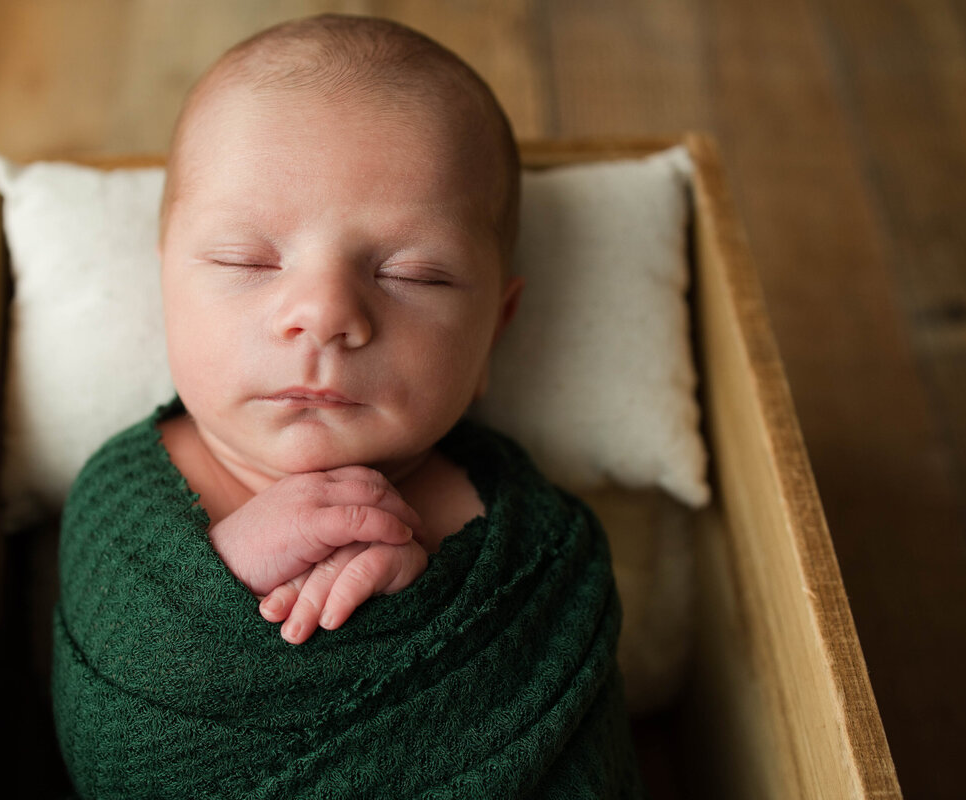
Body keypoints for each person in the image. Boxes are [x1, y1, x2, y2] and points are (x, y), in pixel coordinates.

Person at [53, 14, 644, 798]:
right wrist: (230, 572)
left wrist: (422, 611)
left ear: (492, 332)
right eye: (247, 259)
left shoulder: (538, 550)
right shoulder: (126, 493)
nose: (326, 313)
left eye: (414, 275)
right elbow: (115, 750)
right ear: (165, 283)